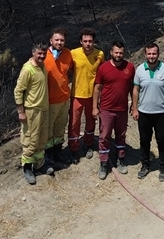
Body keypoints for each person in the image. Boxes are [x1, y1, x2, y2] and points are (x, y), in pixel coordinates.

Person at [93, 41, 135, 179]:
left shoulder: (129, 67)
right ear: (111, 52)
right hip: (106, 109)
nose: (118, 55)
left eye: (121, 53)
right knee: (104, 136)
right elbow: (97, 88)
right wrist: (95, 107)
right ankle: (104, 162)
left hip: (122, 109)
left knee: (121, 135)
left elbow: (132, 88)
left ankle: (120, 158)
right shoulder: (103, 68)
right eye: (116, 52)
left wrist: (134, 105)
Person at [132, 43, 164, 181]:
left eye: (154, 53)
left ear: (158, 54)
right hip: (144, 112)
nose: (151, 56)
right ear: (145, 54)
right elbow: (136, 90)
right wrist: (134, 108)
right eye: (149, 54)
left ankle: (163, 167)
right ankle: (145, 165)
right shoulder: (140, 70)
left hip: (161, 112)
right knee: (144, 141)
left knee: (161, 140)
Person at [14, 43, 53, 185]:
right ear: (33, 53)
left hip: (43, 109)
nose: (42, 56)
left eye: (44, 54)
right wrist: (21, 112)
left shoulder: (42, 66)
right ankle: (27, 167)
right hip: (32, 111)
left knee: (42, 139)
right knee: (31, 140)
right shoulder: (27, 69)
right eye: (39, 54)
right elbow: (18, 91)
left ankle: (39, 164)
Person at [69, 28, 105, 160]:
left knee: (91, 121)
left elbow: (103, 72)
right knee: (74, 123)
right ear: (80, 42)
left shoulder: (100, 54)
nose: (88, 43)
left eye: (90, 41)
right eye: (85, 41)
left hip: (93, 95)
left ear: (94, 42)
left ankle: (88, 143)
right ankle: (74, 148)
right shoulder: (73, 53)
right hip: (77, 94)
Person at [43, 28, 75, 169]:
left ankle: (58, 152)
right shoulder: (43, 55)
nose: (59, 42)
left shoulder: (68, 54)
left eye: (62, 40)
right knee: (48, 130)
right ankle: (48, 157)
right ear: (51, 40)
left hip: (64, 98)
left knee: (60, 128)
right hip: (49, 101)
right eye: (56, 40)